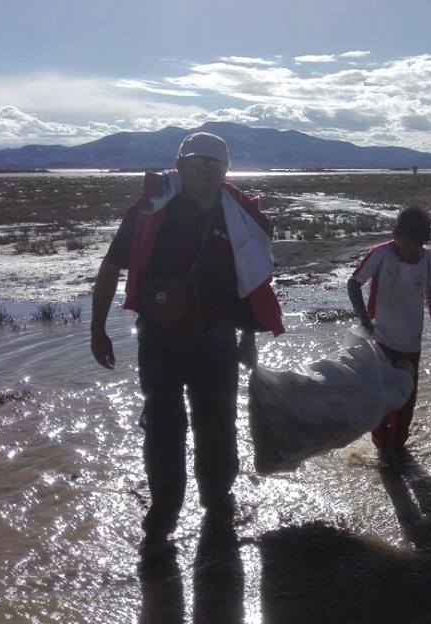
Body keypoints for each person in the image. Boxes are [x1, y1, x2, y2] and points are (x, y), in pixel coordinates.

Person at [90, 132, 284, 559]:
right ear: (180, 165)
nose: (205, 169)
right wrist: (97, 327)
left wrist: (249, 338)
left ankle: (218, 507)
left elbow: (248, 284)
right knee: (163, 428)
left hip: (217, 342)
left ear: (225, 170)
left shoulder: (237, 219)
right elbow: (110, 266)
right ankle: (162, 516)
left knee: (218, 428)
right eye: (197, 161)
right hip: (159, 343)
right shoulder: (150, 211)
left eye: (214, 163)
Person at [347, 206, 431, 452]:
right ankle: (382, 448)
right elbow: (353, 284)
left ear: (422, 242)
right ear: (396, 236)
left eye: (415, 244)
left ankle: (399, 448)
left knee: (406, 401)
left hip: (411, 343)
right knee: (379, 397)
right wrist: (364, 319)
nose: (409, 249)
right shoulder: (380, 255)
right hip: (380, 340)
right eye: (404, 242)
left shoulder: (428, 260)